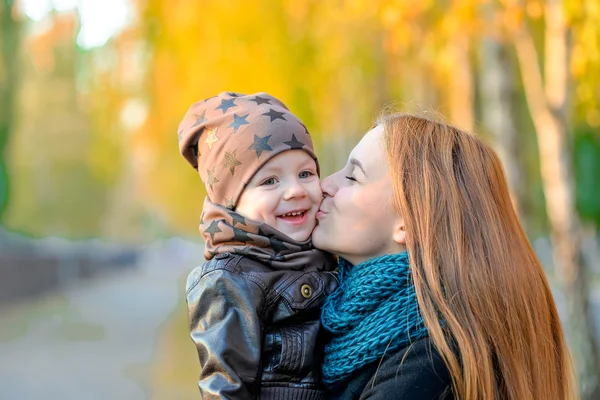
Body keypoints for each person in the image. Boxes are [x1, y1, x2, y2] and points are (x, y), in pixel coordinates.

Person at [312, 113, 576, 400]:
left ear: (409, 221)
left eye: (353, 177)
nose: (325, 184)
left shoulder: (425, 367)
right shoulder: (346, 319)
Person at [177, 92, 338, 399]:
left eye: (305, 174)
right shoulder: (230, 279)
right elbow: (226, 386)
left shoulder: (327, 251)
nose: (294, 191)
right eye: (270, 181)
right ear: (233, 203)